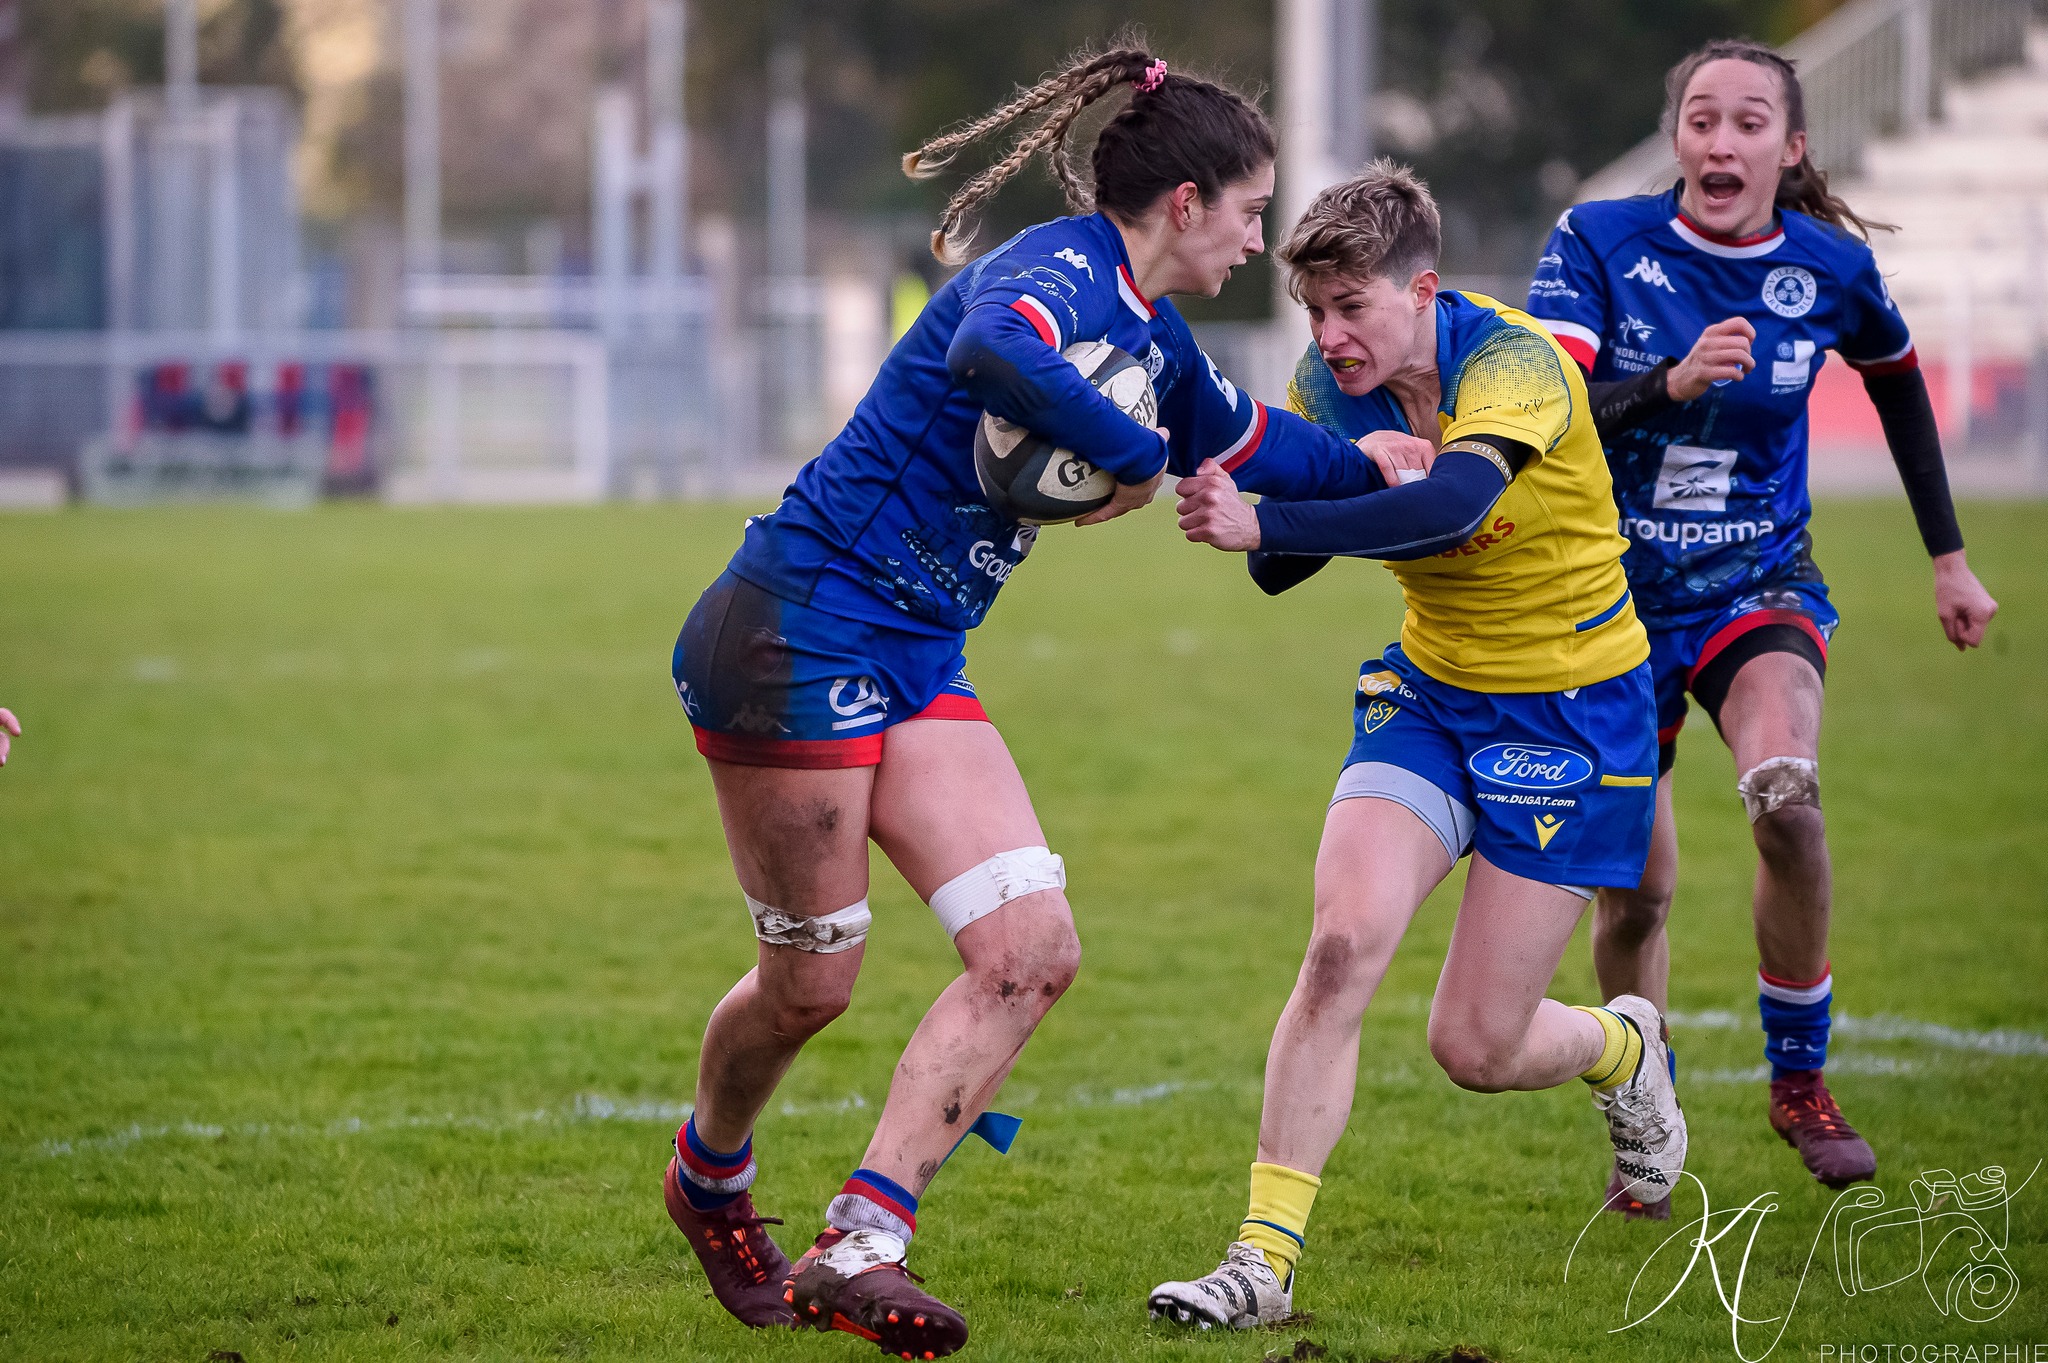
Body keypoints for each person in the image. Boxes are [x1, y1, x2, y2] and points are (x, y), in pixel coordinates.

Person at [664, 47, 1420, 1359]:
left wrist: (1372, 460)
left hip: (912, 654)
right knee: (811, 983)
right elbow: (988, 345)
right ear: (1184, 201)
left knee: (1031, 949)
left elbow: (1250, 440)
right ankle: (710, 1180)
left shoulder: (1153, 336)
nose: (1258, 239)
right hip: (793, 631)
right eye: (1249, 209)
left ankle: (862, 1239)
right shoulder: (1054, 274)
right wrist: (1134, 458)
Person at [1146, 161, 1684, 1333]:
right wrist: (1323, 469)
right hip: (1428, 695)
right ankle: (1261, 1263)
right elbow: (1278, 561)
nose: (1329, 338)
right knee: (1339, 944)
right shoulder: (1329, 385)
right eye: (1313, 312)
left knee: (1475, 1045)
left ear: (1422, 289)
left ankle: (1618, 1045)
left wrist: (1294, 505)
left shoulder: (1516, 364)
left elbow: (1447, 509)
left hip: (1570, 709)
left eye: (1351, 309)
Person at [1524, 38, 1998, 1213]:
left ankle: (1799, 1084)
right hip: (1606, 600)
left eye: (1746, 124)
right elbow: (1544, 403)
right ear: (1676, 138)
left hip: (1756, 583)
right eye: (1699, 120)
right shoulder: (1597, 242)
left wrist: (1947, 558)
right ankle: (1650, 1113)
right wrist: (1667, 386)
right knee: (1632, 894)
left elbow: (1894, 385)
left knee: (1785, 798)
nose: (1718, 142)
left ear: (1789, 149)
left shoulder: (1828, 266)